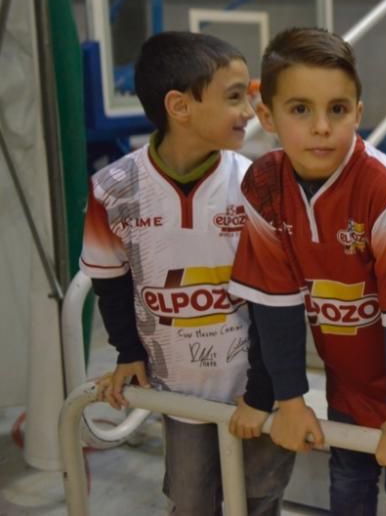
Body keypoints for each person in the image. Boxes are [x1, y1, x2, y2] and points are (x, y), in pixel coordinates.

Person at [226, 27, 386, 516]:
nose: (321, 127)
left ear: (358, 114)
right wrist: (290, 398)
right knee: (346, 486)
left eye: (338, 110)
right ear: (267, 116)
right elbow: (273, 302)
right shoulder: (262, 183)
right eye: (300, 109)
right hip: (345, 386)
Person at [81, 31, 295, 516]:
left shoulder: (258, 184)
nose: (248, 111)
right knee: (192, 502)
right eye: (235, 96)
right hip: (179, 391)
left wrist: (265, 385)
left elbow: (274, 299)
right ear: (179, 106)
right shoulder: (112, 190)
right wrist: (128, 352)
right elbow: (110, 280)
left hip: (256, 386)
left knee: (260, 500)